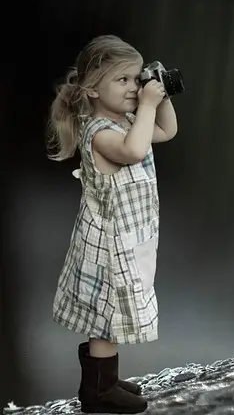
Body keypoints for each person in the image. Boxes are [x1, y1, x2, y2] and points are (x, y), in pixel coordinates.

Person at [46, 34, 178, 414]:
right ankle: (99, 392)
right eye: (122, 81)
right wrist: (149, 104)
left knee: (114, 312)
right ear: (91, 89)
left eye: (137, 79)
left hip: (127, 236)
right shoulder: (100, 132)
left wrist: (161, 99)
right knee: (108, 315)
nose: (134, 89)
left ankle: (105, 380)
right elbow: (135, 151)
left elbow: (166, 132)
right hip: (107, 242)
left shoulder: (129, 121)